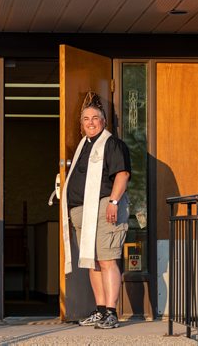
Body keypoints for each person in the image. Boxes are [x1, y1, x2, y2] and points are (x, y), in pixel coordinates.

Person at [61, 92, 131, 329]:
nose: (90, 122)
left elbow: (122, 175)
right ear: (82, 124)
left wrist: (113, 202)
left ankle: (111, 312)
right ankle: (100, 310)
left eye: (95, 118)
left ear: (104, 121)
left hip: (104, 207)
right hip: (83, 211)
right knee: (93, 262)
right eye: (86, 119)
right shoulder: (84, 146)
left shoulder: (112, 144)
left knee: (107, 259)